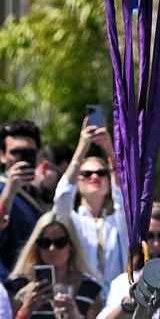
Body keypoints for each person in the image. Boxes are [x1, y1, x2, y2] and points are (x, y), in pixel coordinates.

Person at [53, 122, 126, 293]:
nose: (94, 176)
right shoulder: (71, 221)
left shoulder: (119, 221)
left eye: (101, 173)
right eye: (86, 174)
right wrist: (81, 148)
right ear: (77, 182)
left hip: (118, 304)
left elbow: (124, 198)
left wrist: (110, 149)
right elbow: (62, 199)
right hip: (80, 300)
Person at [0, 121, 50, 273]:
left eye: (29, 152)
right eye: (15, 152)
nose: (22, 158)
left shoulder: (40, 196)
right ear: (2, 156)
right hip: (5, 285)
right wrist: (11, 189)